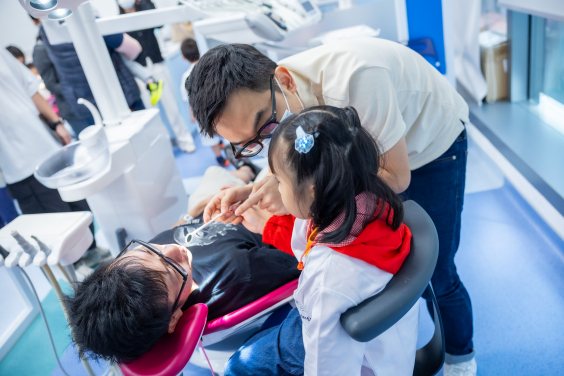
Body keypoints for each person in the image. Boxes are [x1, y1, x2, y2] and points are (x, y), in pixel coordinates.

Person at [187, 39, 476, 376]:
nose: (265, 141)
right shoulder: (280, 104)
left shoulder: (357, 78)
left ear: (286, 80)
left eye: (265, 126)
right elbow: (292, 149)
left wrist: (293, 189)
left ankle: (461, 355)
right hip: (357, 170)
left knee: (439, 274)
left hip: (431, 144)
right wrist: (260, 186)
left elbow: (395, 176)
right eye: (248, 145)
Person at [223, 106, 417, 376]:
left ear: (313, 191)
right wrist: (267, 225)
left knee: (236, 367)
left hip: (359, 361)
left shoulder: (327, 280)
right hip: (391, 344)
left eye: (279, 181)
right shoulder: (367, 201)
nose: (275, 188)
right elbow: (309, 236)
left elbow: (326, 368)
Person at [64, 208, 300, 364]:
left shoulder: (137, 270)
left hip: (216, 208)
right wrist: (264, 212)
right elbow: (303, 256)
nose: (172, 248)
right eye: (173, 269)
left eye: (149, 249)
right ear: (173, 319)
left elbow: (176, 231)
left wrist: (193, 213)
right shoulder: (241, 277)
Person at [0, 48, 107, 266]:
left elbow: (31, 88)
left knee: (79, 207)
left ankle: (92, 253)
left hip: (46, 146)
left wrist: (57, 123)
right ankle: (76, 269)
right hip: (18, 166)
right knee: (54, 227)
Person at [118, 0, 197, 153]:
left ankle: (186, 142)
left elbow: (159, 24)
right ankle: (162, 148)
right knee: (151, 113)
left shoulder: (145, 9)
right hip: (139, 71)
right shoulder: (118, 20)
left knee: (171, 107)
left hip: (157, 64)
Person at [37, 23, 145, 125]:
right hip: (120, 94)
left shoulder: (46, 29)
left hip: (85, 104)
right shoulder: (86, 16)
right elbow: (134, 48)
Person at [180, 37, 229, 166]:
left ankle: (219, 157)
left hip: (201, 112)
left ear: (183, 57)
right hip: (218, 107)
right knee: (224, 128)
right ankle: (228, 148)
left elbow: (189, 98)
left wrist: (192, 115)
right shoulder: (209, 67)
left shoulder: (185, 76)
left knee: (210, 137)